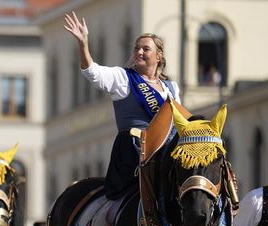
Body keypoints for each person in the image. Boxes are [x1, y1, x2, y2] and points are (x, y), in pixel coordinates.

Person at [63, 12, 181, 198]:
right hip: (134, 149)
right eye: (136, 48)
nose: (139, 52)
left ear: (159, 56)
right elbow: (92, 72)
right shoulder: (123, 78)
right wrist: (83, 43)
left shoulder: (171, 88)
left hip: (164, 151)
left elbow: (180, 123)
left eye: (145, 49)